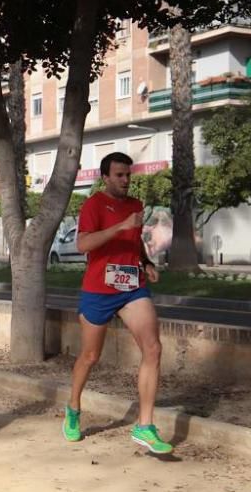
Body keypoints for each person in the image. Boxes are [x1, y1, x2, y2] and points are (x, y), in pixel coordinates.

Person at [63, 152, 170, 453]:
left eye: (128, 175)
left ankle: (145, 426)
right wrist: (119, 227)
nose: (125, 180)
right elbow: (83, 244)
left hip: (132, 287)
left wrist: (146, 261)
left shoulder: (136, 206)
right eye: (119, 175)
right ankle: (73, 409)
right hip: (99, 289)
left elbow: (134, 243)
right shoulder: (93, 205)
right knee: (90, 356)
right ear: (106, 177)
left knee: (153, 348)